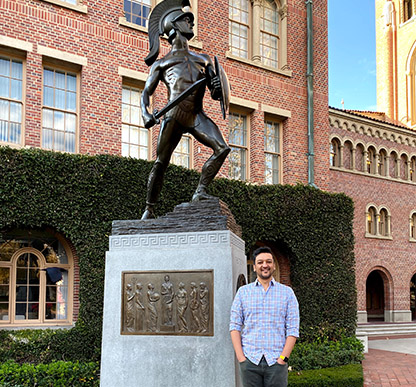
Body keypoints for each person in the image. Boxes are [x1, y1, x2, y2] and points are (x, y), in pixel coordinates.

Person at [140, 0, 230, 219]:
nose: (191, 23)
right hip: (173, 116)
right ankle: (149, 208)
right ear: (174, 25)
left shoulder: (204, 60)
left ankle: (200, 191)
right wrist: (145, 113)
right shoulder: (162, 63)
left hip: (196, 114)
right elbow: (145, 93)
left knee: (222, 148)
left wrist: (217, 87)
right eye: (186, 20)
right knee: (161, 162)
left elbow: (216, 92)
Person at [230, 246, 300, 387]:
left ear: (273, 265)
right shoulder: (243, 293)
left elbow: (293, 329)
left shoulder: (287, 293)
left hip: (276, 362)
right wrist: (241, 358)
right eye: (260, 262)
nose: (265, 265)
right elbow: (234, 326)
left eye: (268, 261)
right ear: (254, 267)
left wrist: (283, 359)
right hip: (250, 361)